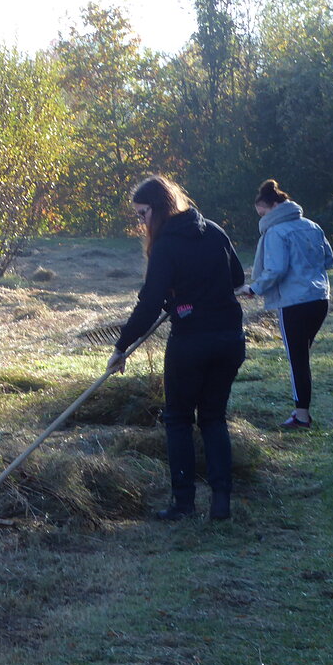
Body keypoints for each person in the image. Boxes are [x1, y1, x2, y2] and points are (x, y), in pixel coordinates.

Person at [107, 175, 246, 521]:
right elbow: (238, 279)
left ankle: (183, 503)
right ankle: (220, 502)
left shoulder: (167, 243)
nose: (141, 223)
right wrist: (191, 293)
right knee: (213, 417)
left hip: (192, 342)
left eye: (142, 214)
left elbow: (149, 302)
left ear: (158, 208)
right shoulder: (213, 230)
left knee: (179, 419)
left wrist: (121, 346)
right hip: (230, 338)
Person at [236, 179, 333, 430]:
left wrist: (254, 288)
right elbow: (329, 259)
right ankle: (302, 412)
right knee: (301, 356)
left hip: (294, 303)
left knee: (297, 359)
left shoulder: (277, 232)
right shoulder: (312, 226)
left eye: (263, 212)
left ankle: (302, 416)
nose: (262, 218)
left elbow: (276, 269)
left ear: (275, 205)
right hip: (320, 299)